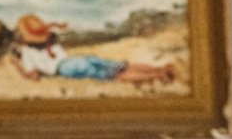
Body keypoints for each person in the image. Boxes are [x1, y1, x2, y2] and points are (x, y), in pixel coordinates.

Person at [11, 12, 176, 86]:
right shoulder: (51, 42)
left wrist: (17, 64)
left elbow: (32, 76)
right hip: (76, 60)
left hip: (67, 69)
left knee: (118, 76)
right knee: (121, 66)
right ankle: (159, 70)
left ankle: (159, 74)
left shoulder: (27, 51)